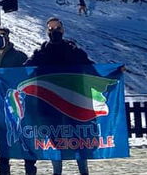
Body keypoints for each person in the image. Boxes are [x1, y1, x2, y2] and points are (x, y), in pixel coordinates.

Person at [23, 17, 93, 175]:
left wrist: (115, 71)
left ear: (63, 30)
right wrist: (1, 75)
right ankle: (57, 173)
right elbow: (23, 70)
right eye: (51, 28)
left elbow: (92, 69)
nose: (54, 31)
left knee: (78, 141)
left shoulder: (74, 51)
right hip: (49, 106)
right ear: (47, 31)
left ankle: (84, 172)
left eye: (57, 28)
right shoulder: (41, 52)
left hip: (73, 104)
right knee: (54, 142)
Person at [0, 27, 28, 175]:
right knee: (0, 133)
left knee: (21, 130)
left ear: (8, 37)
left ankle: (29, 167)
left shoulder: (19, 56)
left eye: (2, 35)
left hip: (14, 99)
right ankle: (3, 168)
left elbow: (26, 75)